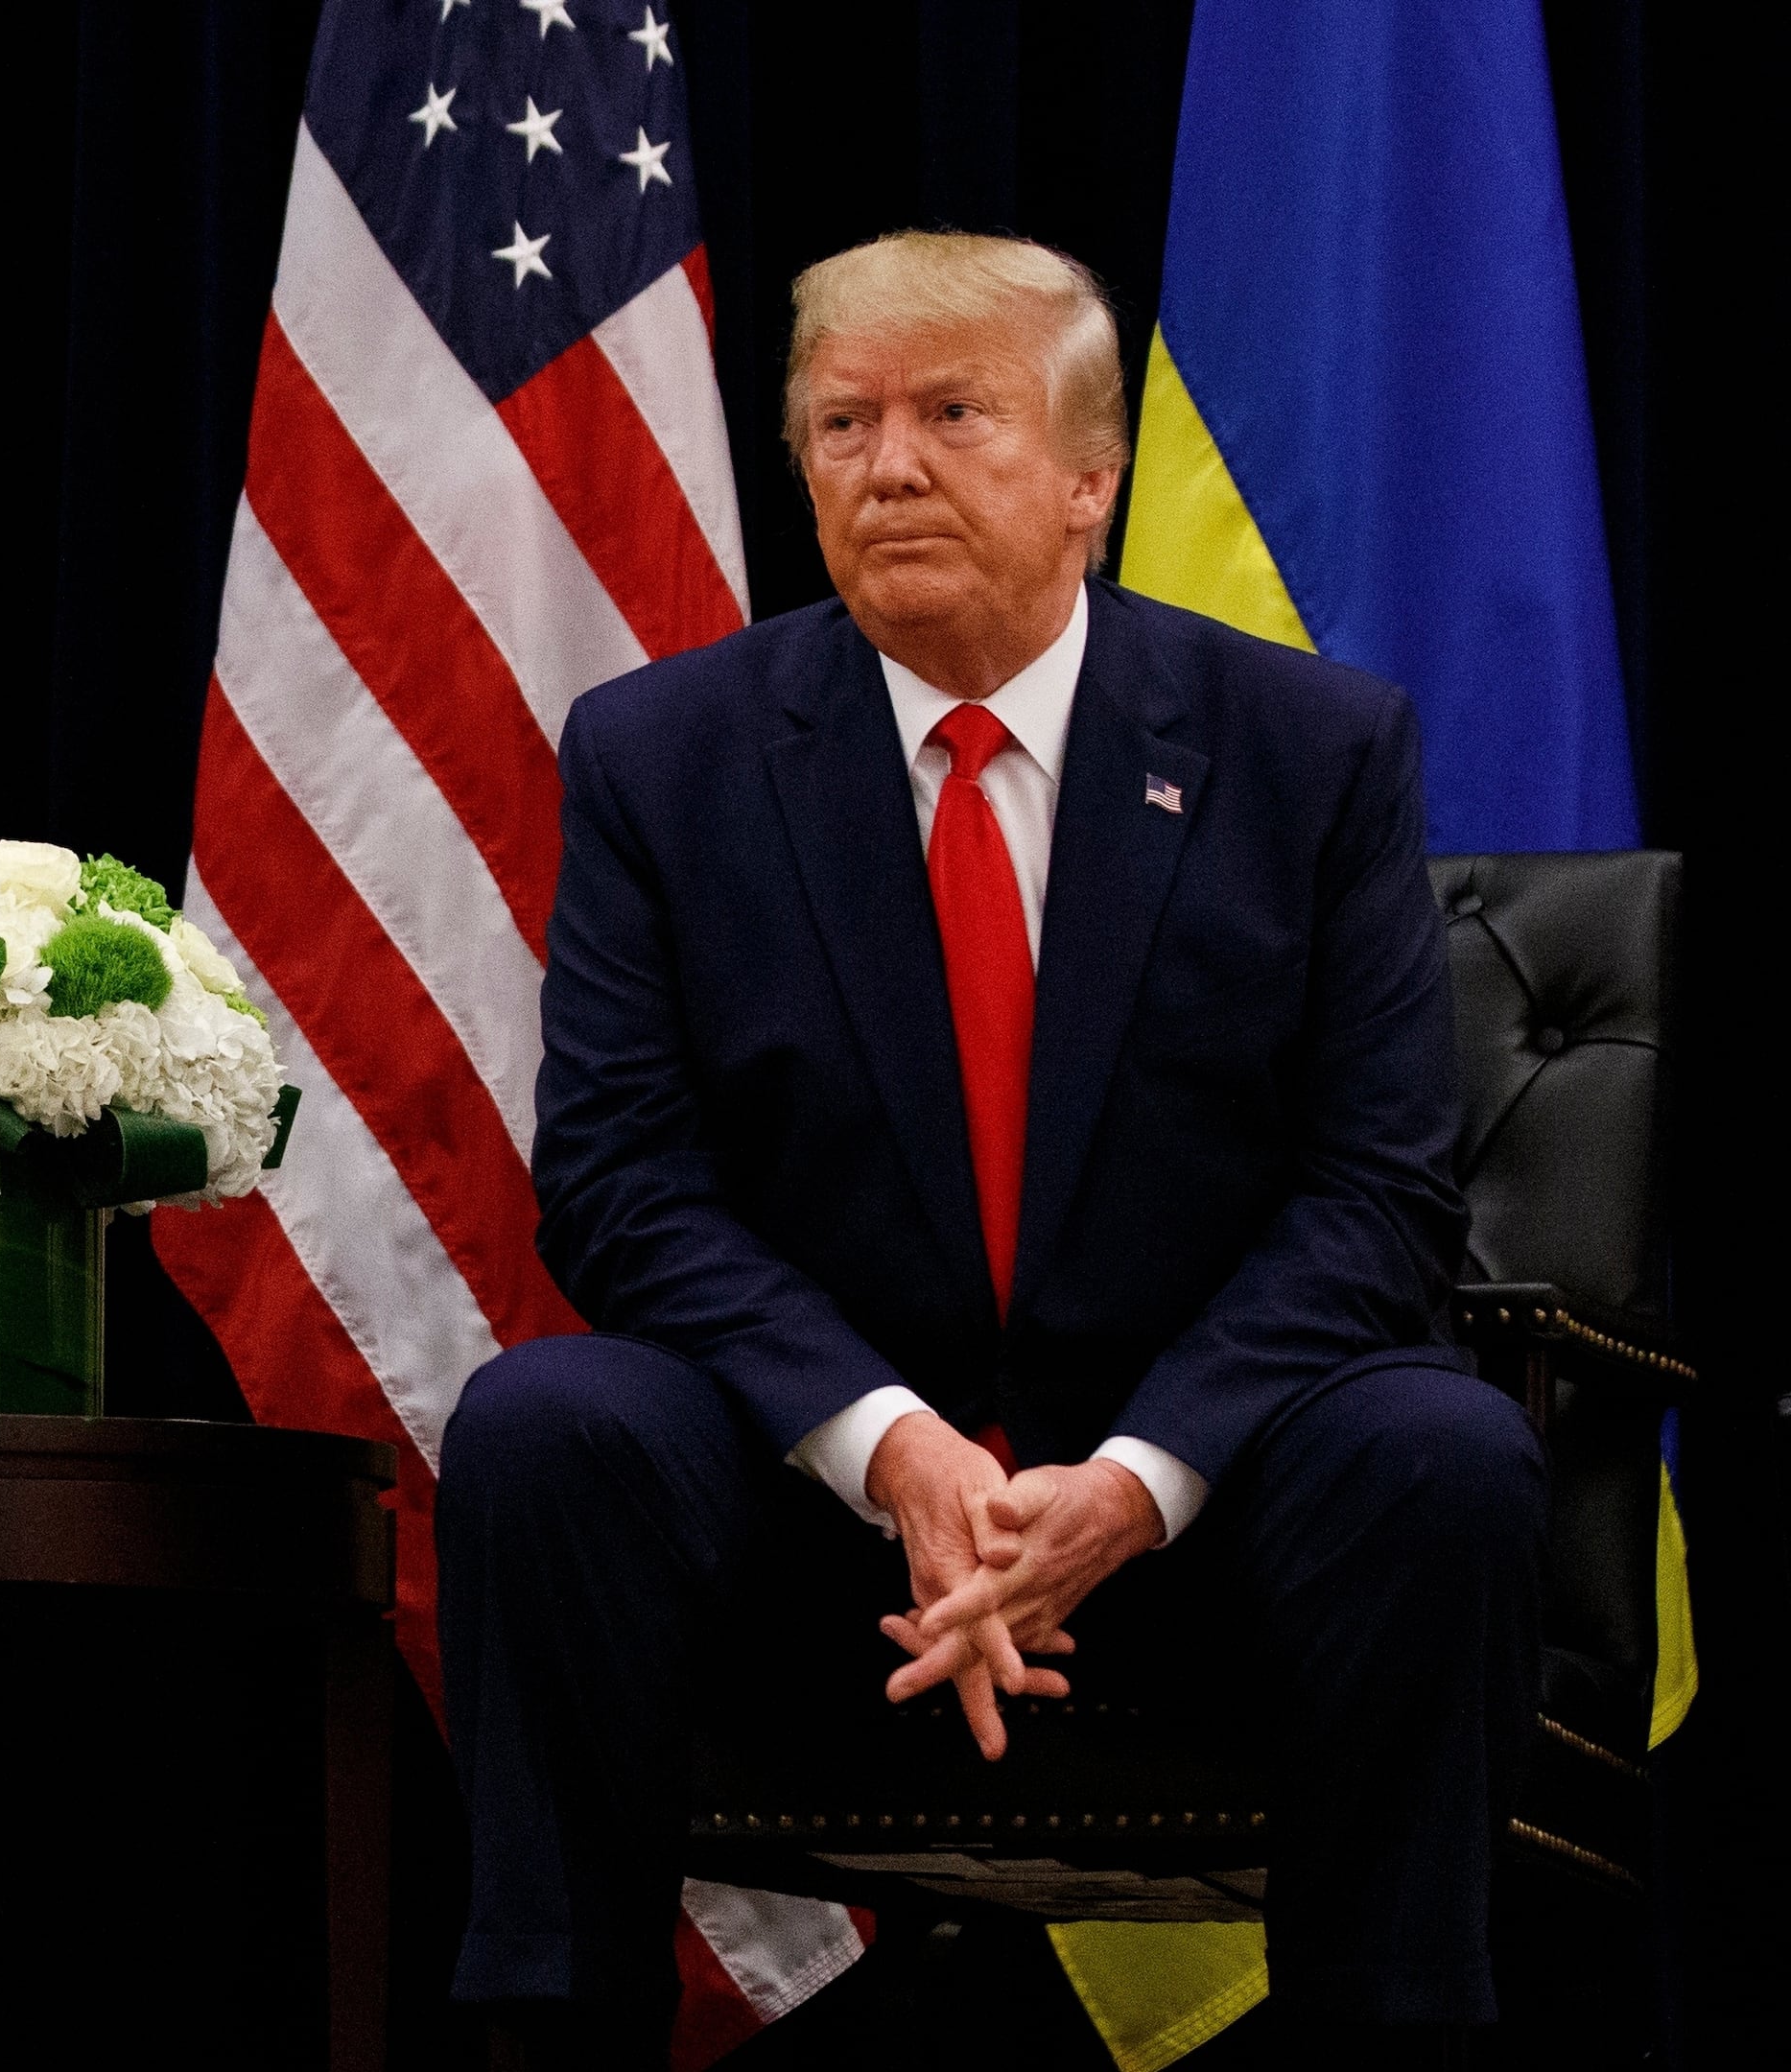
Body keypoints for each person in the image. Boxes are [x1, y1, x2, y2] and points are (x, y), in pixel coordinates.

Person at [433, 234, 1538, 2068]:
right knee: (548, 1432)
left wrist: (1134, 1478)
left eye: (956, 414)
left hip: (1209, 1518)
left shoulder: (1311, 748)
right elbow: (620, 1179)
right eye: (843, 423)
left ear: (1092, 479)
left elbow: (1379, 1192)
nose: (888, 467)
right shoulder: (664, 753)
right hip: (815, 1521)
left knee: (1445, 1457)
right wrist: (894, 1448)